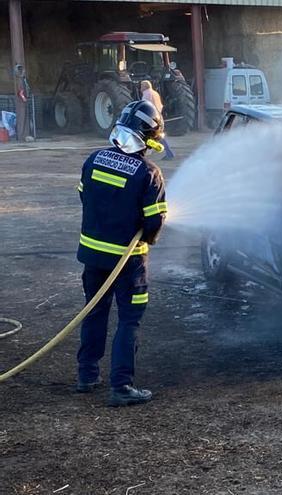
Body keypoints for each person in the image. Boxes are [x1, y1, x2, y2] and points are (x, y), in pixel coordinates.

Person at [76, 100, 167, 407]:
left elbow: (83, 196)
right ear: (148, 137)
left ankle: (87, 375)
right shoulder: (148, 173)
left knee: (94, 311)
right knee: (129, 320)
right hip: (129, 263)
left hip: (92, 256)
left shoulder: (93, 160)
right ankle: (121, 386)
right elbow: (154, 222)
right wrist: (146, 235)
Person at [139, 80, 174, 160]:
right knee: (158, 135)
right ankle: (168, 152)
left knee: (143, 135)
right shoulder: (155, 93)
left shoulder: (146, 94)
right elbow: (160, 105)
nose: (140, 88)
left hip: (150, 118)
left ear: (145, 86)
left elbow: (145, 107)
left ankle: (142, 155)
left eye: (141, 86)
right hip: (158, 117)